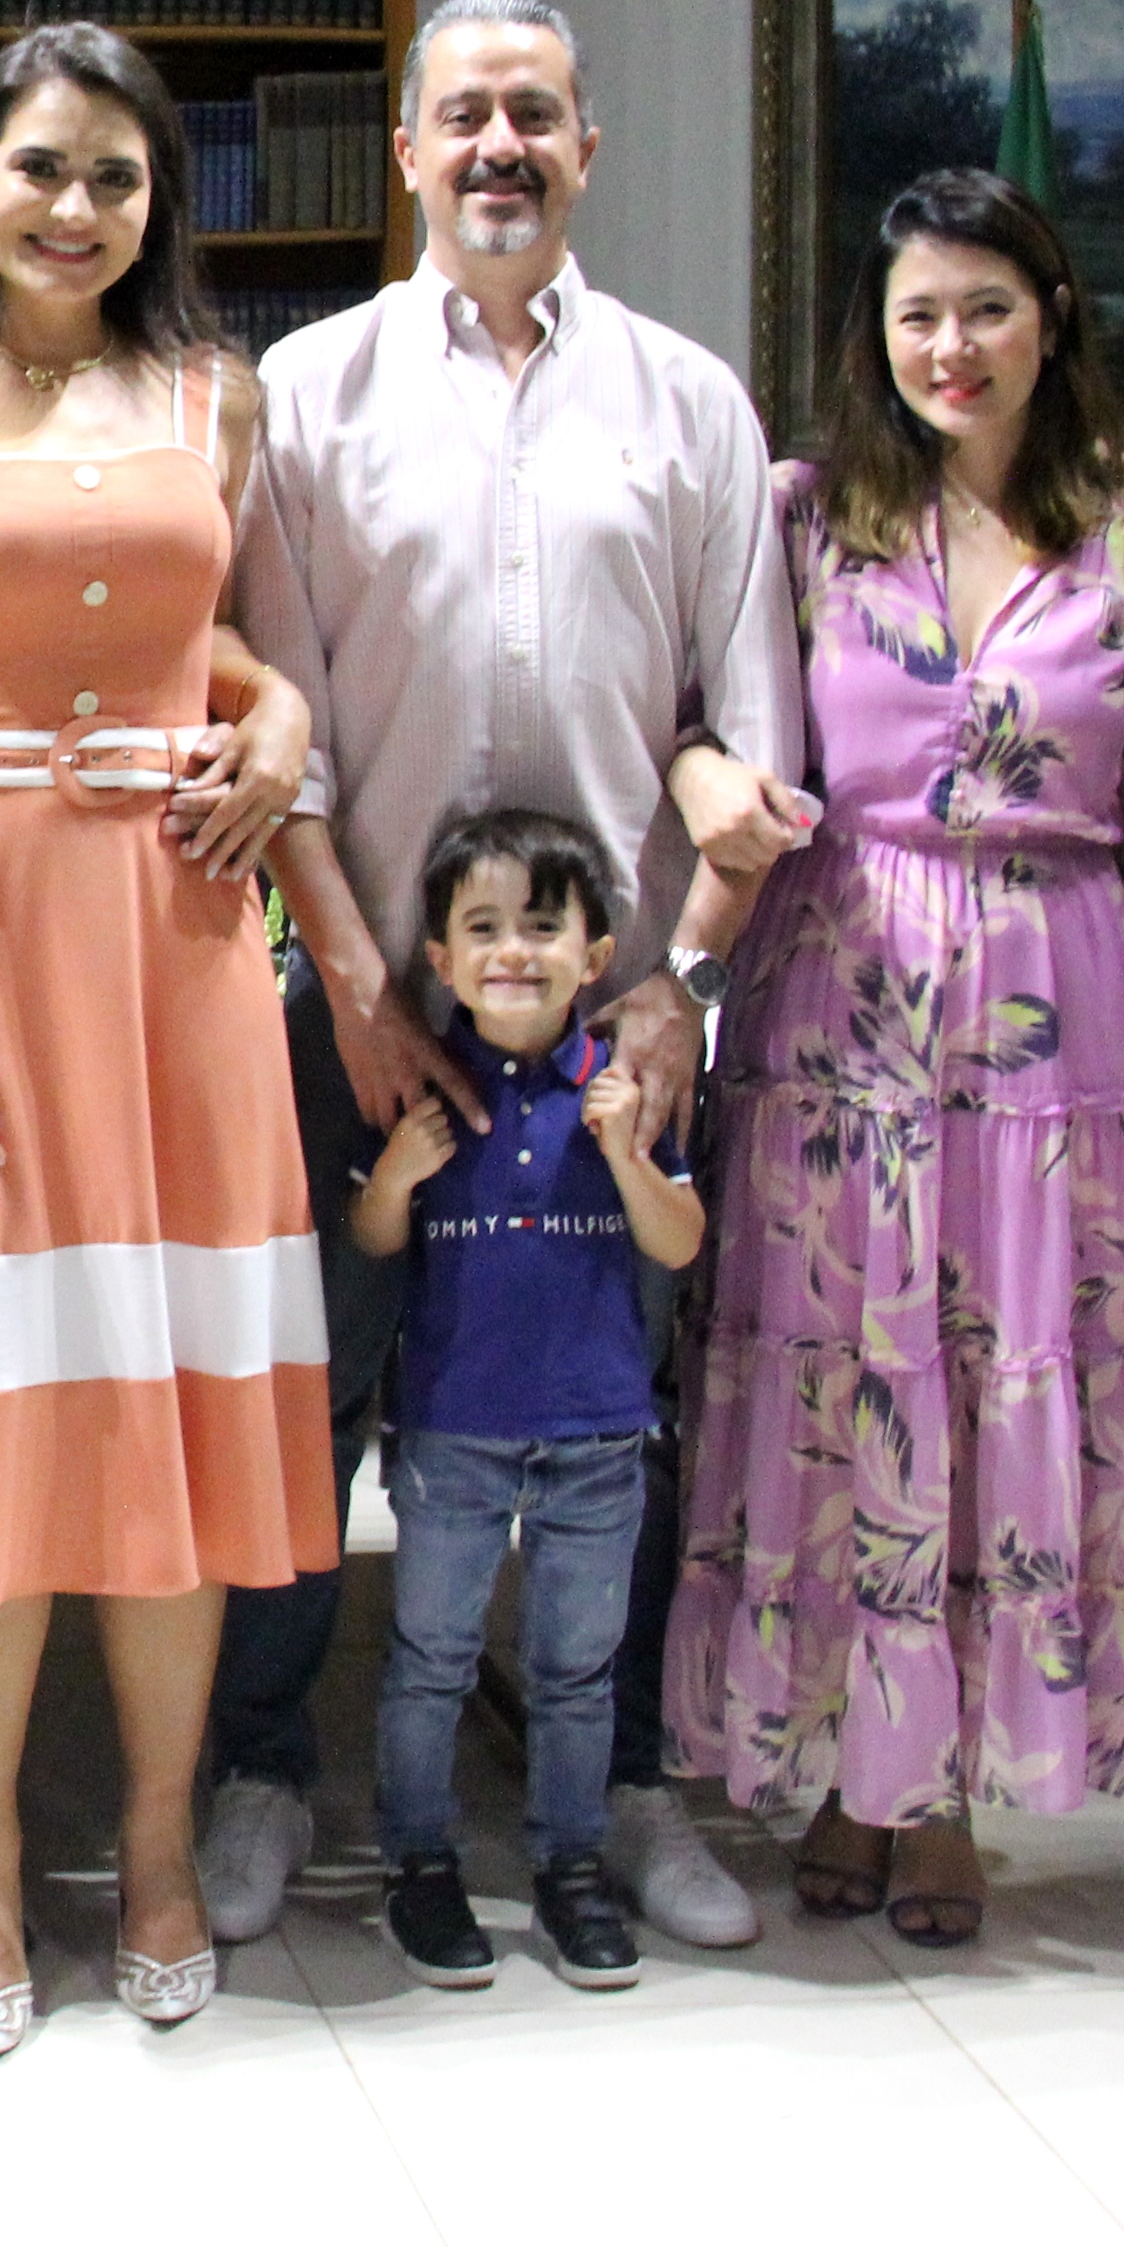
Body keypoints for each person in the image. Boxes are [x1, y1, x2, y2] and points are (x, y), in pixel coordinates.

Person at [229, 0, 804, 1959]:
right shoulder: (302, 397)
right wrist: (355, 979)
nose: (498, 148)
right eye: (462, 114)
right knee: (309, 1390)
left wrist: (681, 992)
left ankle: (623, 1784)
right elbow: (272, 726)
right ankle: (259, 1767)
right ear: (404, 151)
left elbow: (750, 726)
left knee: (605, 1416)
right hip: (359, 1005)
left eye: (534, 117)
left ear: (586, 148)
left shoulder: (688, 404)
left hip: (609, 1034)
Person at [0, 20, 326, 2056]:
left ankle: (166, 1847)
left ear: (155, 198)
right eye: (40, 169)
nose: (75, 206)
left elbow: (220, 647)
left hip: (180, 957)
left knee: (170, 1419)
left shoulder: (219, 397)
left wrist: (275, 723)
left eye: (113, 172)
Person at [661, 171, 1124, 1947]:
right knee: (850, 1394)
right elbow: (701, 720)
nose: (948, 345)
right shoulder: (797, 520)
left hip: (1054, 1031)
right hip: (834, 1017)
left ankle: (951, 1801)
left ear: (1048, 316)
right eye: (915, 313)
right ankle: (849, 1769)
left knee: (1011, 1397)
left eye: (983, 307)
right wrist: (698, 778)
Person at [354, 807, 708, 1991]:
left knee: (575, 1670)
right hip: (452, 1429)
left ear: (596, 956)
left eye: (544, 927)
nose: (515, 951)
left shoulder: (623, 1088)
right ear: (442, 959)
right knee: (431, 1659)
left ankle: (571, 1866)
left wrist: (624, 1158)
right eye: (485, 928)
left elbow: (678, 1242)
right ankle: (418, 1861)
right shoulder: (431, 1087)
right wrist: (398, 1175)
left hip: (598, 1436)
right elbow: (370, 1236)